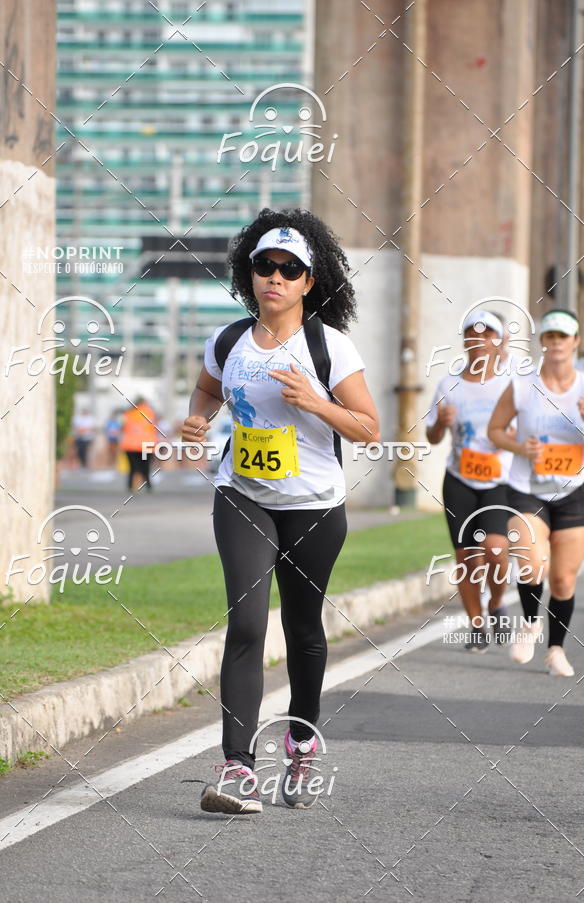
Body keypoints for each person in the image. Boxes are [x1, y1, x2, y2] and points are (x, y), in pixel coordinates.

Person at [182, 210, 379, 814]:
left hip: (315, 507)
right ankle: (237, 769)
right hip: (243, 496)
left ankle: (300, 742)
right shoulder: (229, 340)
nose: (275, 277)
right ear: (250, 273)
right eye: (265, 266)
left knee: (303, 630)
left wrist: (318, 403)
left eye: (290, 269)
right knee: (246, 624)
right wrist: (196, 423)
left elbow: (370, 429)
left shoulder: (329, 345)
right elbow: (208, 390)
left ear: (308, 282)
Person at [488, 308, 584, 677]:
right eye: (550, 336)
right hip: (527, 488)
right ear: (542, 342)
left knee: (562, 579)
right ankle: (530, 624)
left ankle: (556, 650)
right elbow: (495, 430)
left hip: (574, 491)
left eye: (564, 336)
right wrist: (519, 449)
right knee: (531, 562)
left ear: (575, 342)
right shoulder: (523, 384)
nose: (557, 343)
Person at [426, 310, 513, 653]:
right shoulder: (449, 384)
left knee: (495, 550)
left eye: (486, 334)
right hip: (459, 478)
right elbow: (432, 436)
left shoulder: (510, 382)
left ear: (498, 340)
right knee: (467, 559)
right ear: (464, 341)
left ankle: (496, 603)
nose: (478, 340)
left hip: (498, 478)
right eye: (471, 334)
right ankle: (476, 624)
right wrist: (440, 423)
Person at [120, 397, 157, 491]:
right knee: (146, 467)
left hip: (130, 445)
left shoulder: (127, 414)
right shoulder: (149, 412)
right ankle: (148, 486)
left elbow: (121, 427)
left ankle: (130, 486)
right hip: (146, 444)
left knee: (133, 467)